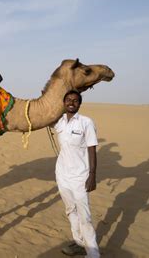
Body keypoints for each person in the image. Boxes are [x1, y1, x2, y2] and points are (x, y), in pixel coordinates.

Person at [54, 90, 100, 257]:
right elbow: (43, 116)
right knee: (70, 210)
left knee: (85, 215)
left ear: (79, 104)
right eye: (68, 100)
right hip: (62, 174)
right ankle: (79, 242)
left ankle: (93, 253)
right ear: (64, 102)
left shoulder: (86, 122)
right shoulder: (58, 122)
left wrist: (93, 175)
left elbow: (92, 148)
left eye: (75, 100)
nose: (71, 102)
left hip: (81, 176)